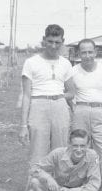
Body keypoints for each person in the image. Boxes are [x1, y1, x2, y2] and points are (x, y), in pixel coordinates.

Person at [19, 24, 74, 165]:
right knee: (38, 153)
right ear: (44, 40)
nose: (53, 46)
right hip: (38, 106)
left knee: (61, 152)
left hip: (60, 108)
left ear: (62, 41)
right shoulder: (31, 62)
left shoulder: (66, 64)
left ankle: (59, 186)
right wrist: (23, 126)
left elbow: (71, 92)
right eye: (50, 41)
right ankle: (35, 186)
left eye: (57, 42)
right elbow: (26, 96)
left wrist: (60, 97)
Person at [26, 129, 101, 191]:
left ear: (88, 145)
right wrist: (48, 178)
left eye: (82, 146)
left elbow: (94, 184)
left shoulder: (92, 156)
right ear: (69, 144)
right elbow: (34, 168)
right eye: (75, 145)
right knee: (35, 181)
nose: (79, 149)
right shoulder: (58, 153)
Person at [71, 39, 102, 155]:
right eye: (84, 52)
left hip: (100, 112)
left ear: (95, 52)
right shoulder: (72, 71)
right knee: (79, 150)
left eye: (90, 52)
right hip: (81, 112)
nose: (87, 56)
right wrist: (75, 109)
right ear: (79, 54)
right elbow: (68, 94)